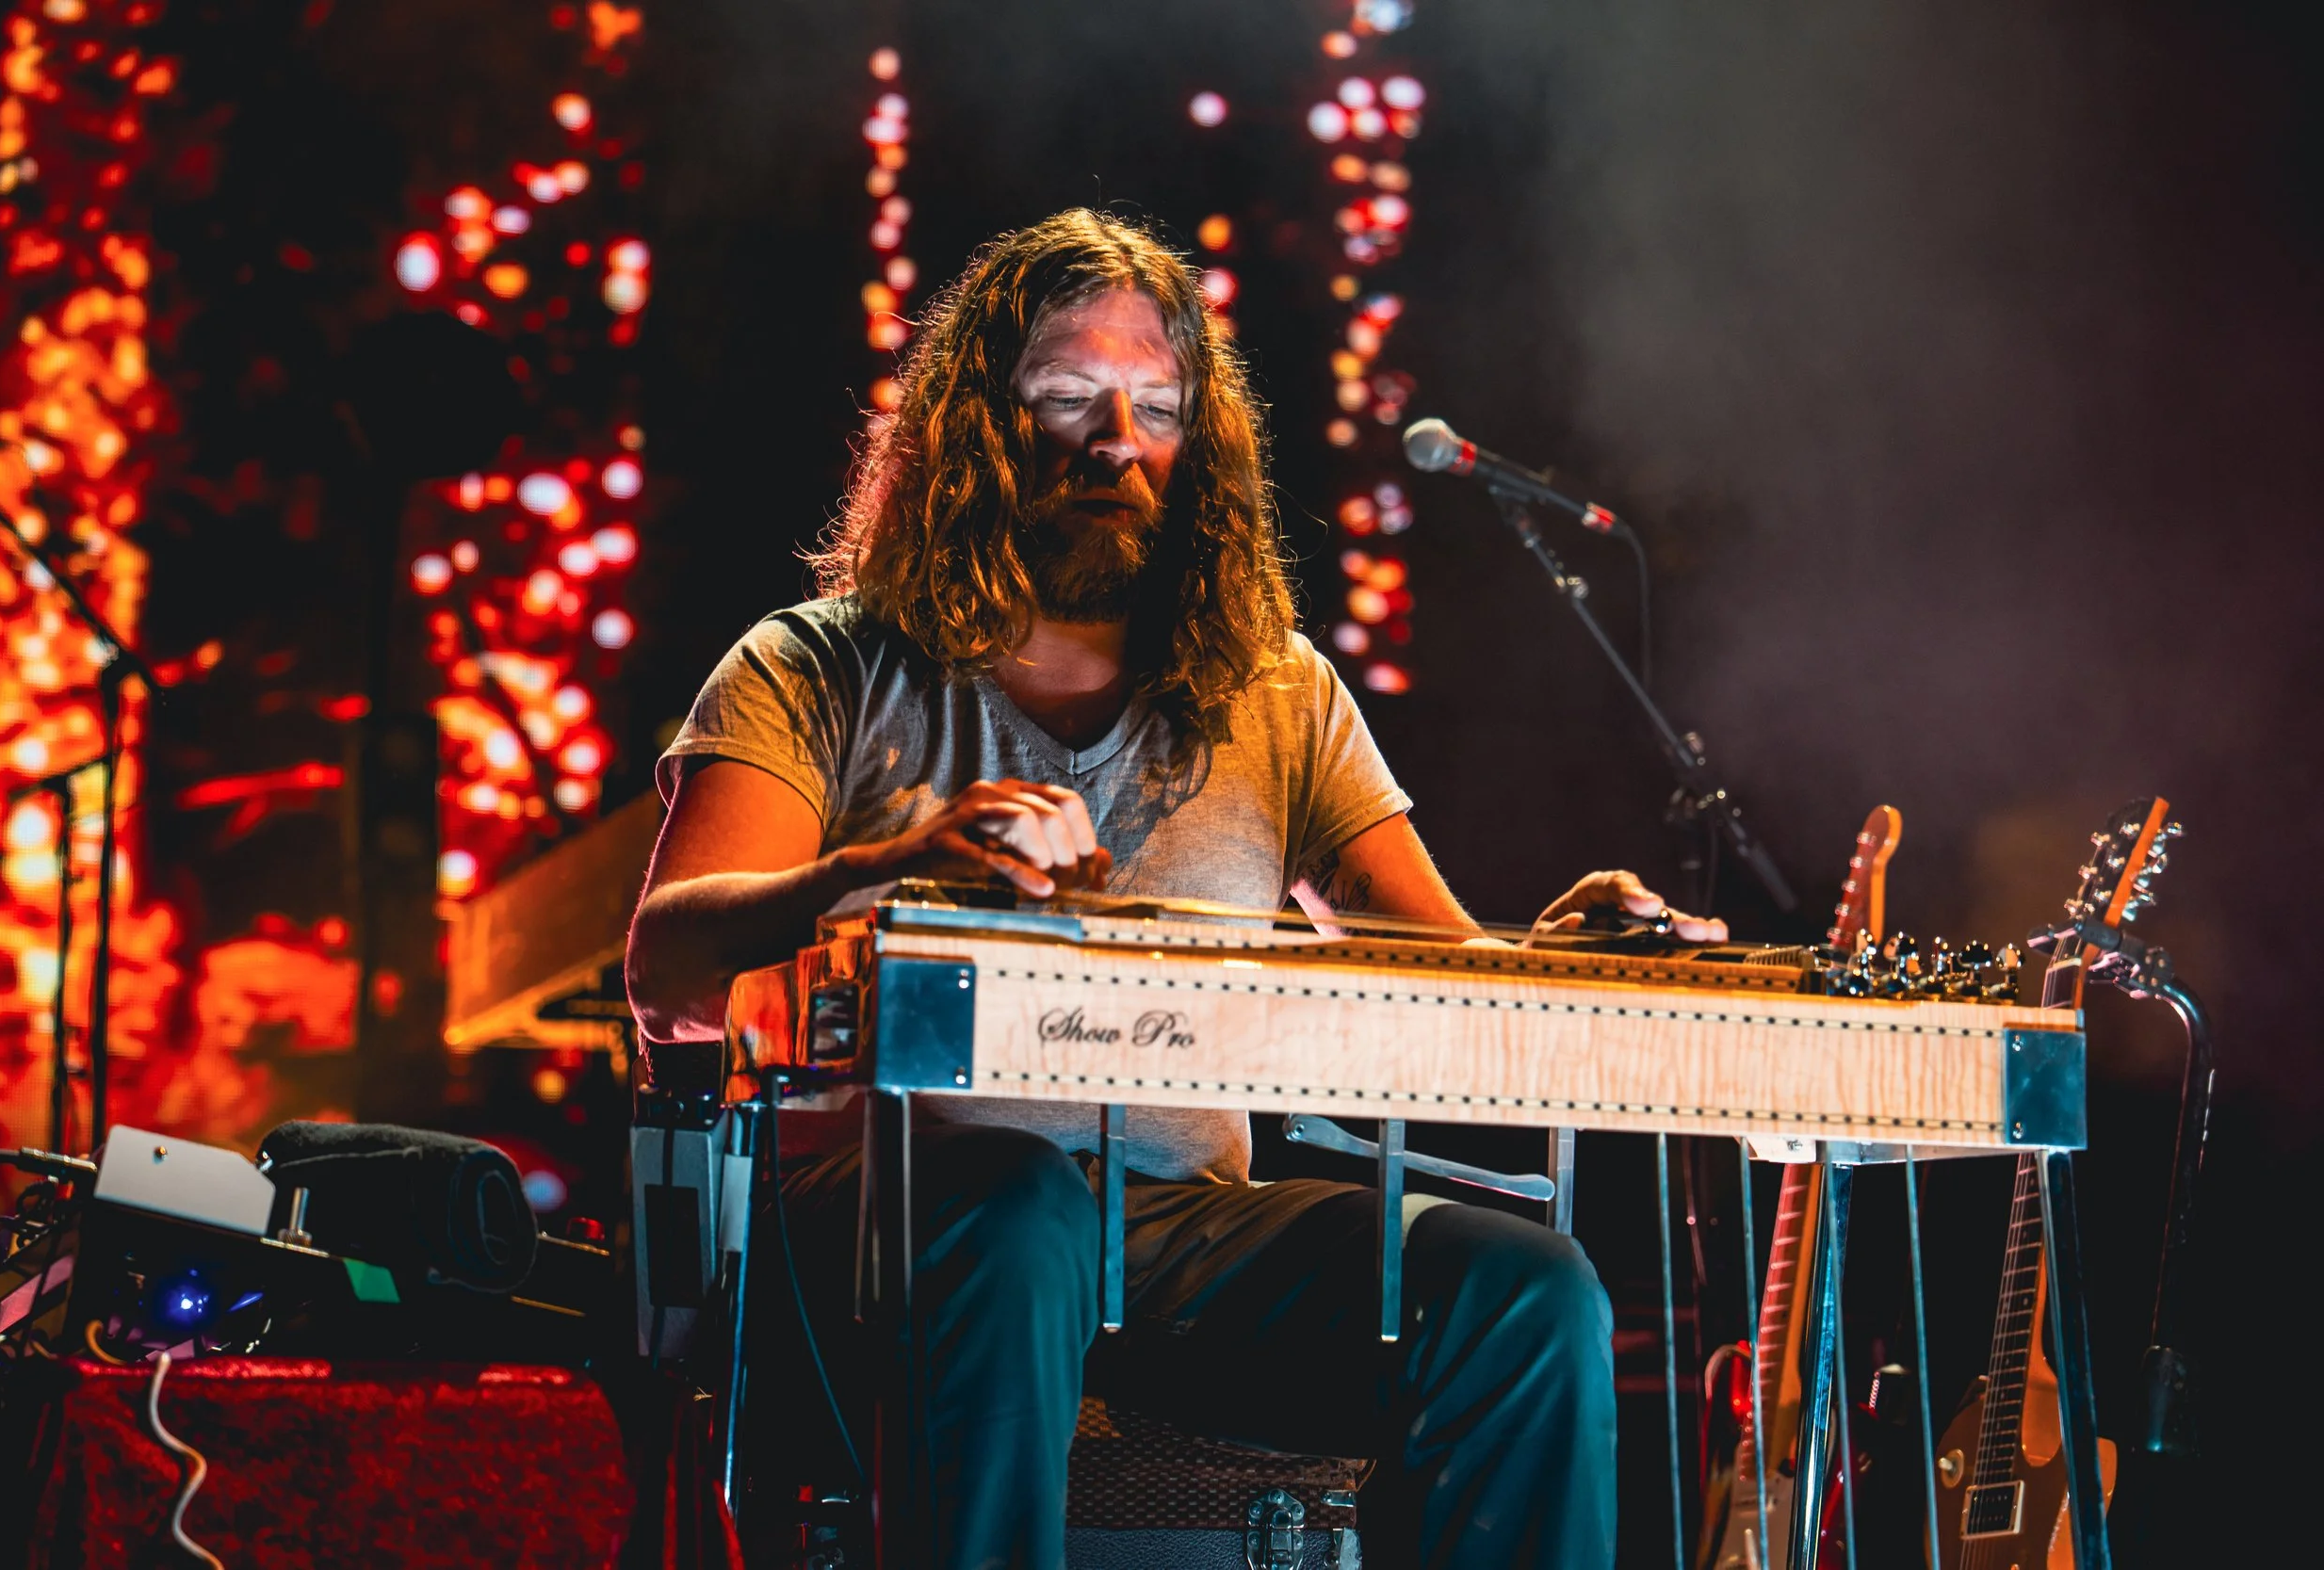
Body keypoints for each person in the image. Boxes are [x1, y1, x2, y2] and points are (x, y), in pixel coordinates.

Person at [626, 209, 1725, 1569]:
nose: (1118, 439)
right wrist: (889, 867)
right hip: (880, 1234)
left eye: (1155, 405)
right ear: (978, 421)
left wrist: (1559, 954)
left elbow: (1433, 967)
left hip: (1180, 1237)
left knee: (1529, 1291)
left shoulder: (1274, 690)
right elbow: (665, 971)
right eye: (1070, 397)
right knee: (1018, 1205)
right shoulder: (819, 666)